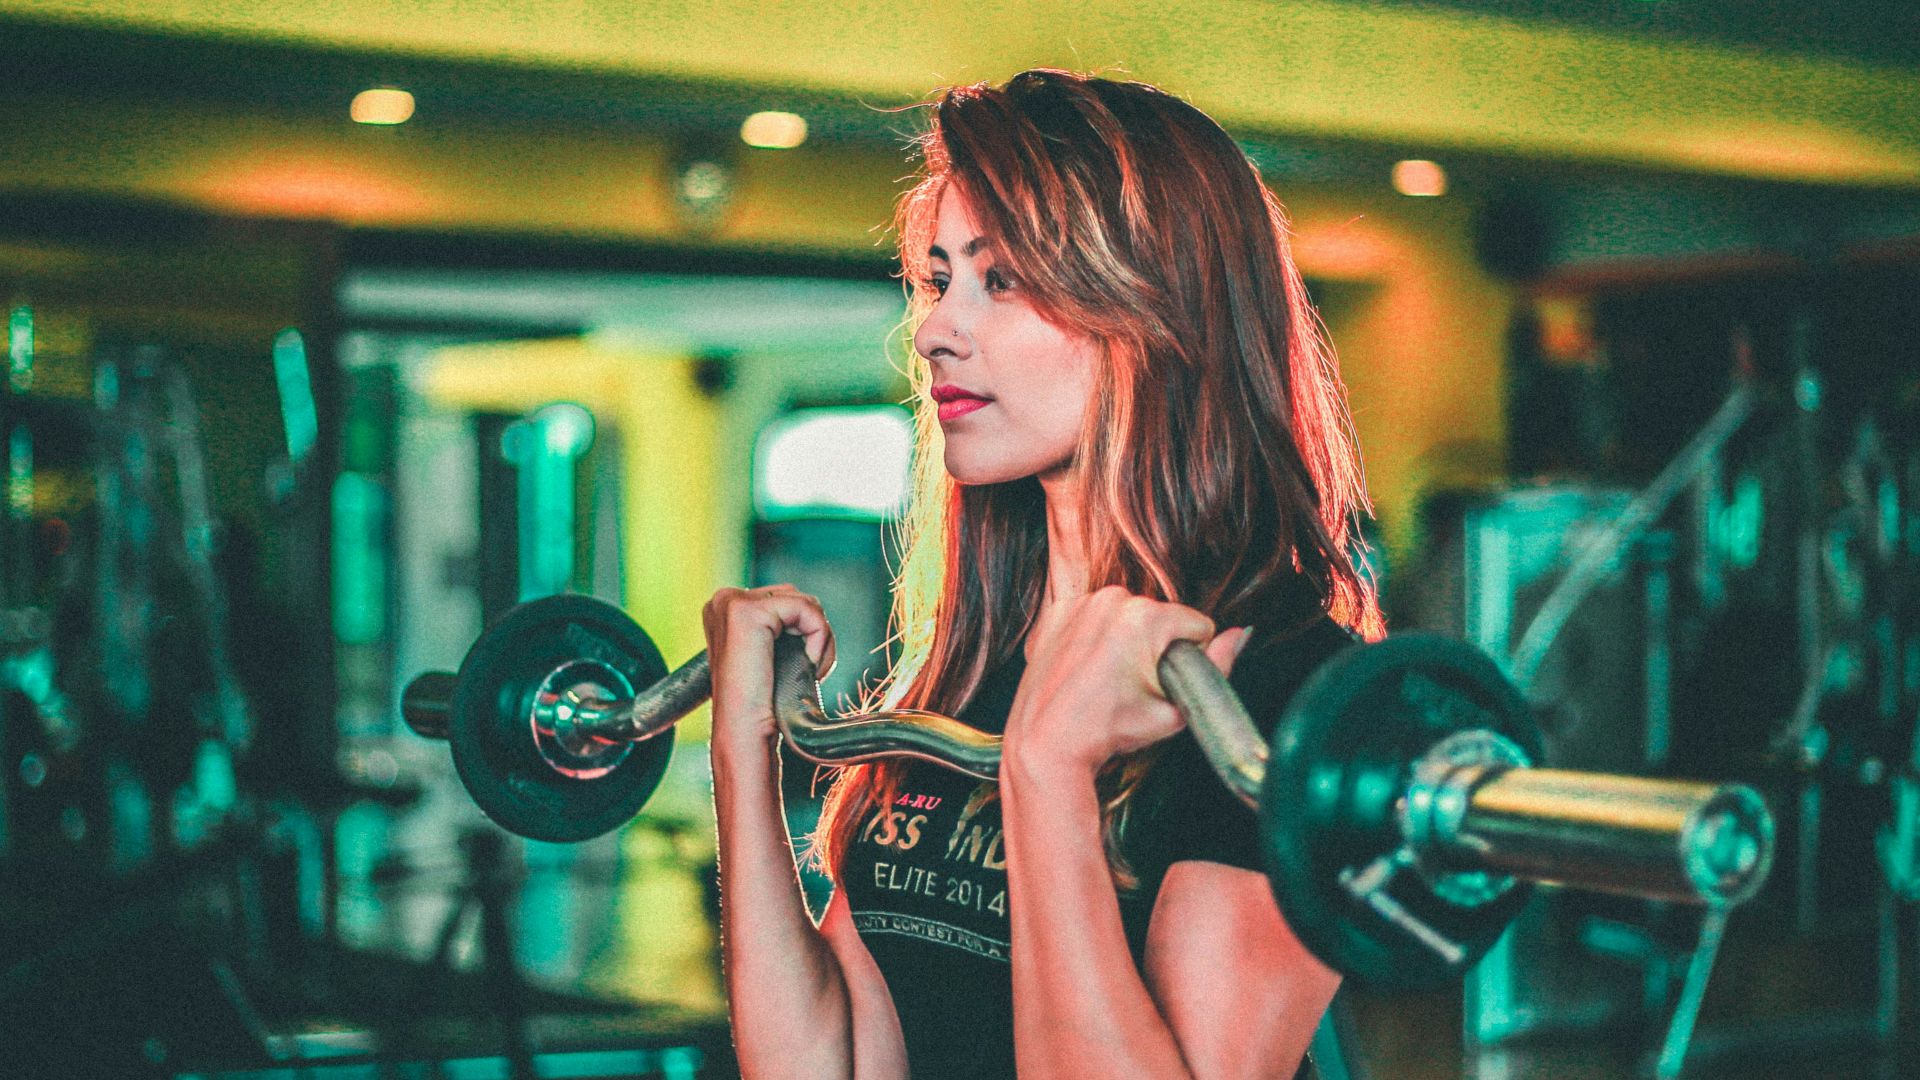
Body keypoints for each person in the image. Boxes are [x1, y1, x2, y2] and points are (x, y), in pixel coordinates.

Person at [701, 68, 1383, 1080]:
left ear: (1155, 312)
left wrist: (1049, 774)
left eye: (1003, 280)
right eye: (939, 281)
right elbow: (826, 1067)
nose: (934, 329)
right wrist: (742, 749)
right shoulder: (976, 660)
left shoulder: (1284, 694)